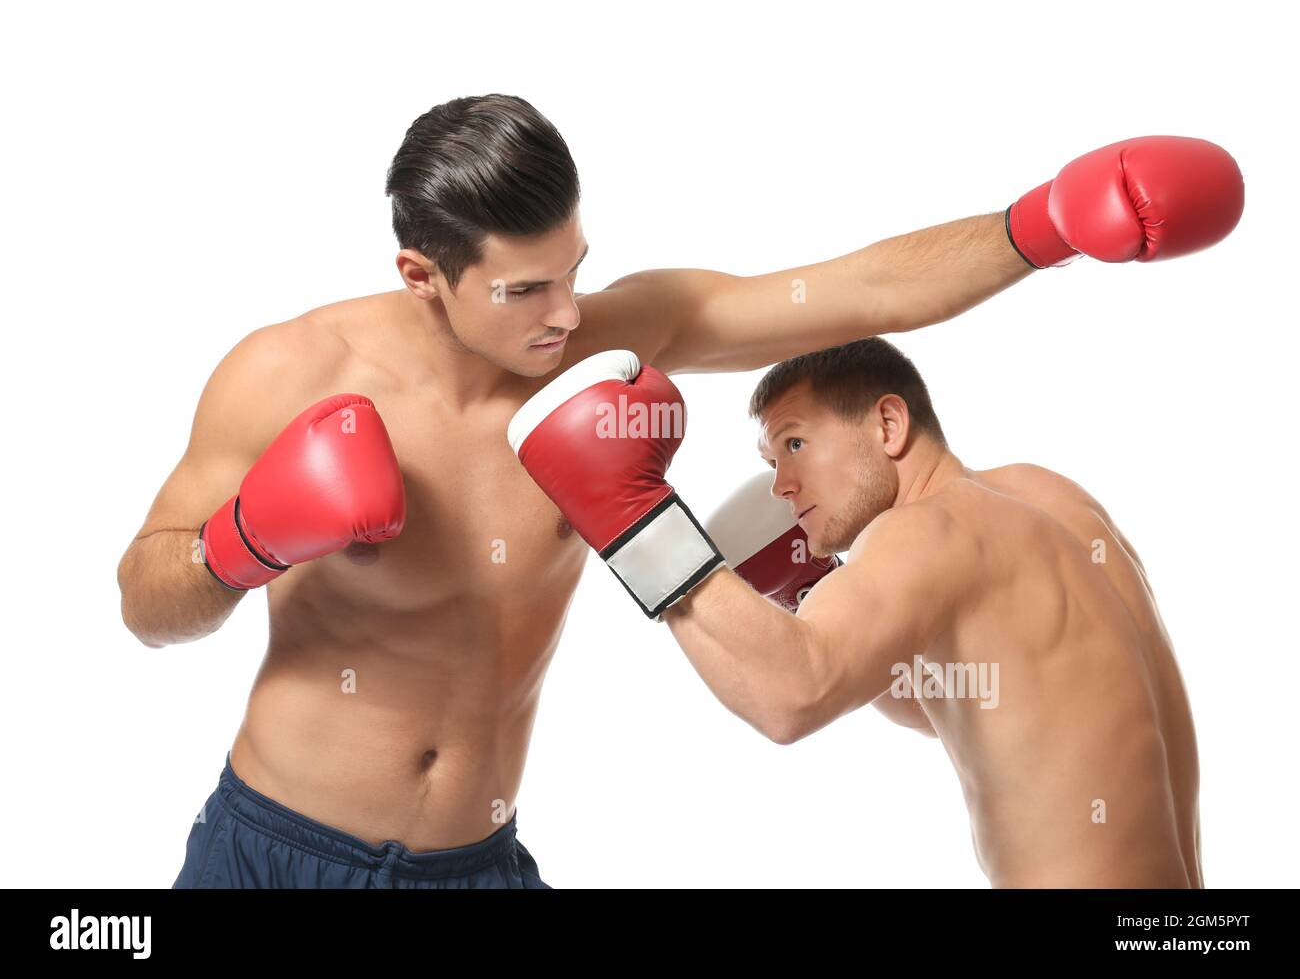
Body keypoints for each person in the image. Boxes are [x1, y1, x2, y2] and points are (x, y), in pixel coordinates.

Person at [118, 92, 1239, 888]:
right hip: (275, 849)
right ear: (422, 275)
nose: (564, 316)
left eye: (576, 269)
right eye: (522, 289)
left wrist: (1041, 225)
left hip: (475, 860)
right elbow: (146, 602)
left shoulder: (607, 334)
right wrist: (244, 538)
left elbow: (857, 292)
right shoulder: (287, 370)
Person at [508, 339, 1203, 887]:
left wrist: (638, 522)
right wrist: (813, 599)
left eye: (795, 443)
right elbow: (964, 704)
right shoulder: (1049, 499)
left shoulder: (924, 533)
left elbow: (790, 698)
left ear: (888, 423)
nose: (781, 485)